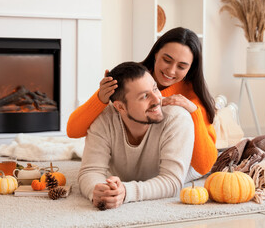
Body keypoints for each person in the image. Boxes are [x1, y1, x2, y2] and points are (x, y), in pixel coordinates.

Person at [68, 27, 217, 178]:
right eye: (167, 60)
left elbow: (204, 166)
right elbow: (73, 131)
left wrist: (194, 112)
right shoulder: (132, 78)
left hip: (174, 164)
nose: (171, 71)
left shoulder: (193, 95)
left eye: (181, 66)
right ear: (156, 53)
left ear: (191, 68)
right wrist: (100, 98)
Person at [78, 62, 194, 209]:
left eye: (155, 88)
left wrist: (126, 192)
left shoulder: (177, 118)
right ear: (120, 107)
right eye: (145, 96)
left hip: (203, 160)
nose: (157, 99)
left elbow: (172, 182)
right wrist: (98, 190)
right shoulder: (103, 119)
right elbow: (90, 171)